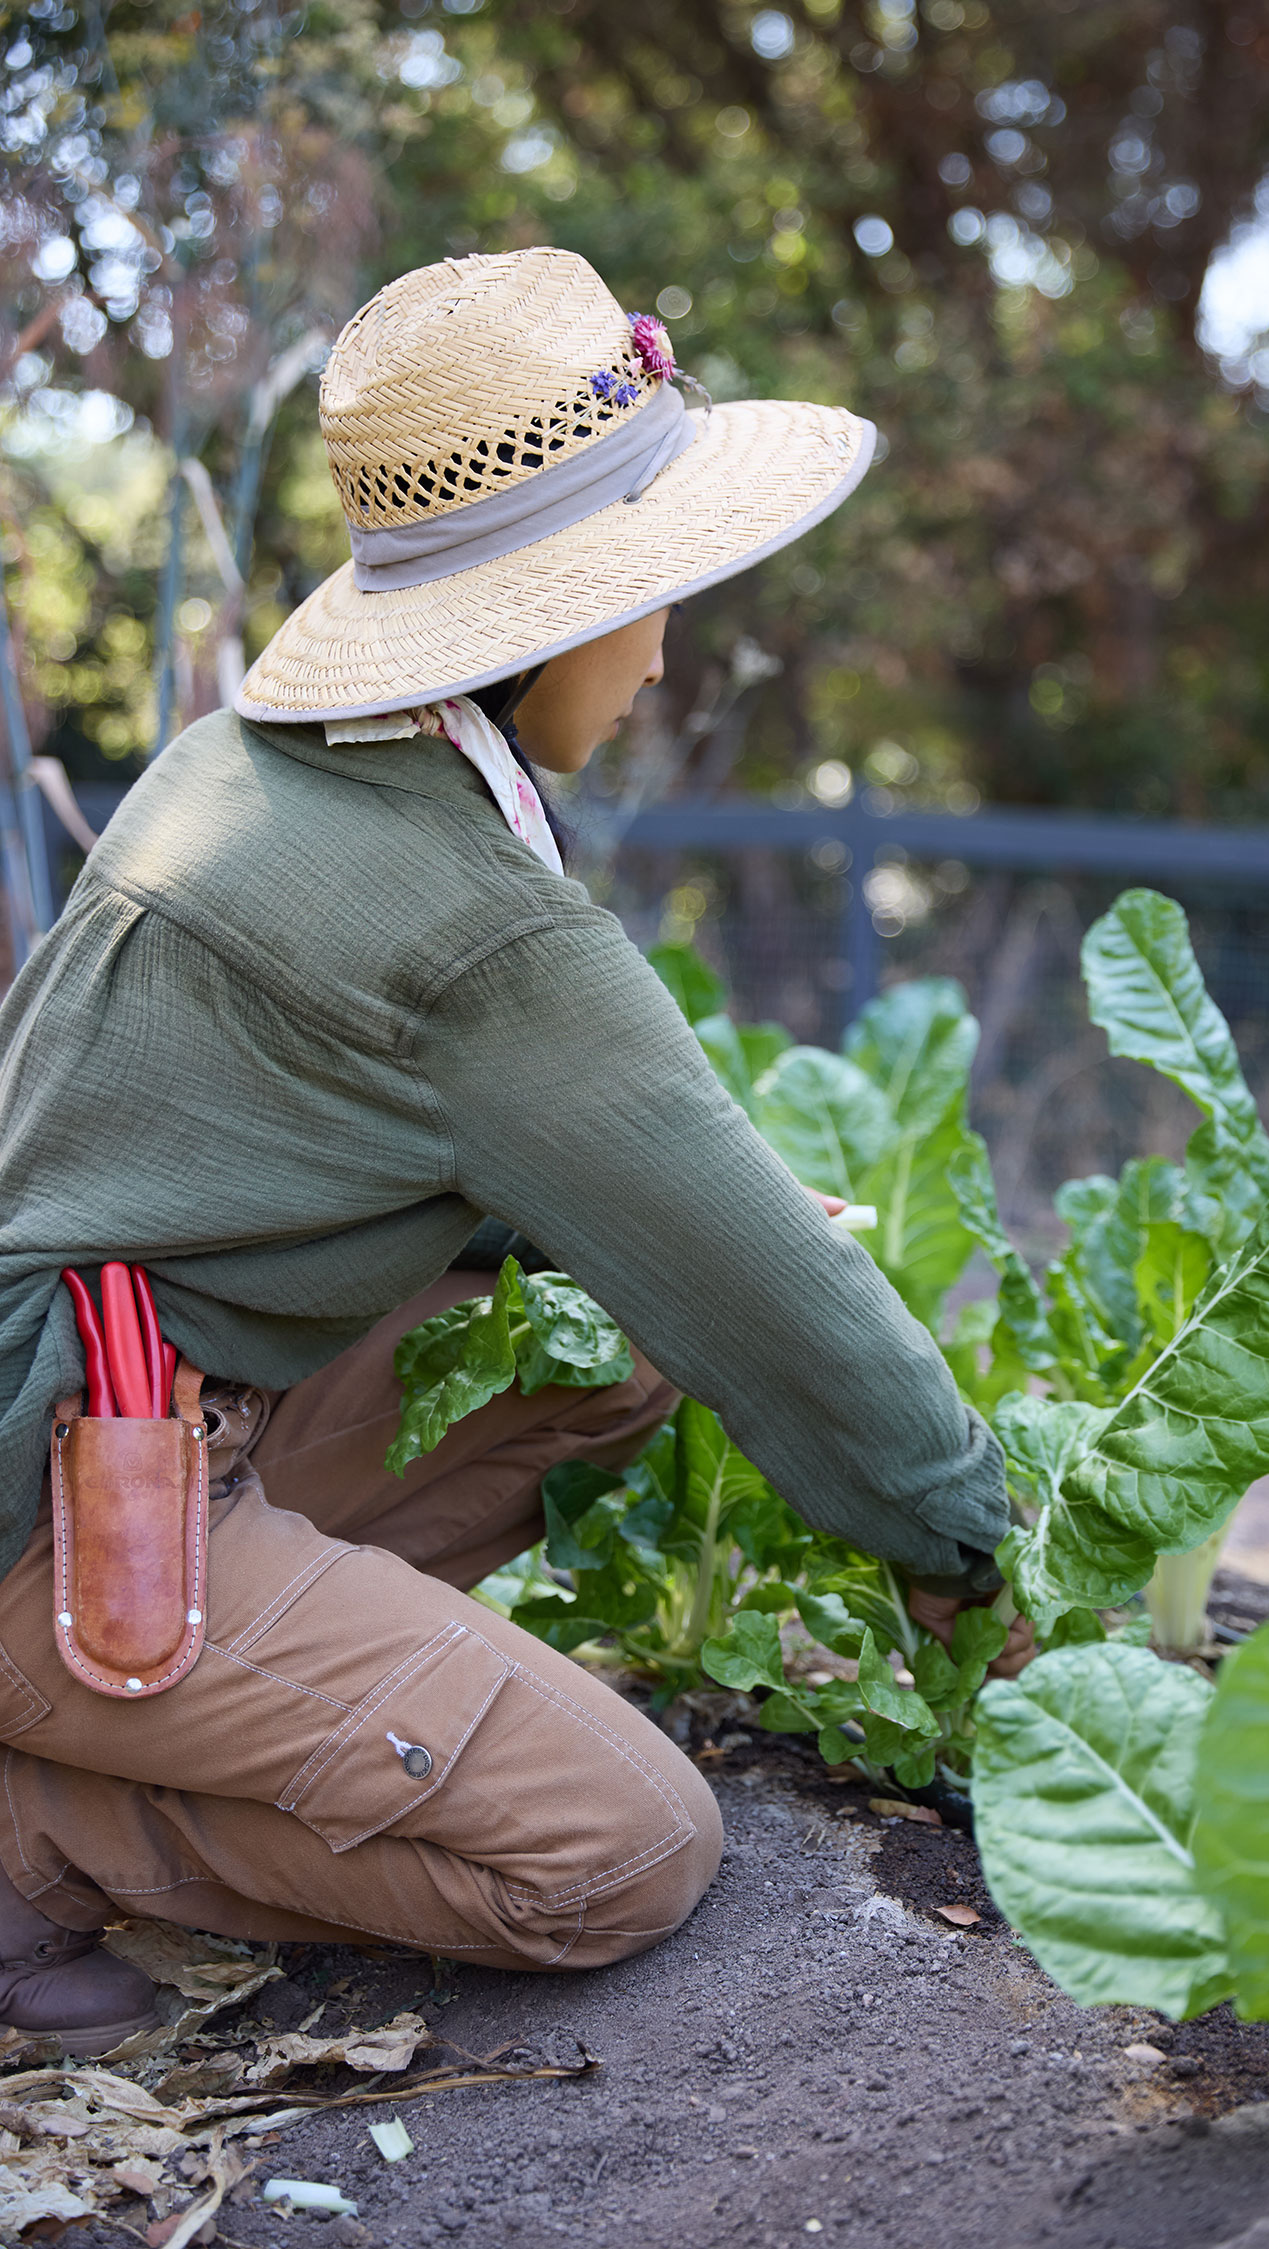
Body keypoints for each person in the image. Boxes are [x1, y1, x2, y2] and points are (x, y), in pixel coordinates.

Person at [0, 249, 1029, 2054]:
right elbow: (780, 1305)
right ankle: (44, 1831)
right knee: (618, 1848)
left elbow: (578, 1206)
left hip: (108, 1407)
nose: (663, 651)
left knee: (609, 1355)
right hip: (64, 1510)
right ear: (542, 616)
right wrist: (967, 1549)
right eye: (646, 598)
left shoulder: (241, 766)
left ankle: (213, 1695)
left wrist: (676, 1239)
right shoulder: (473, 927)